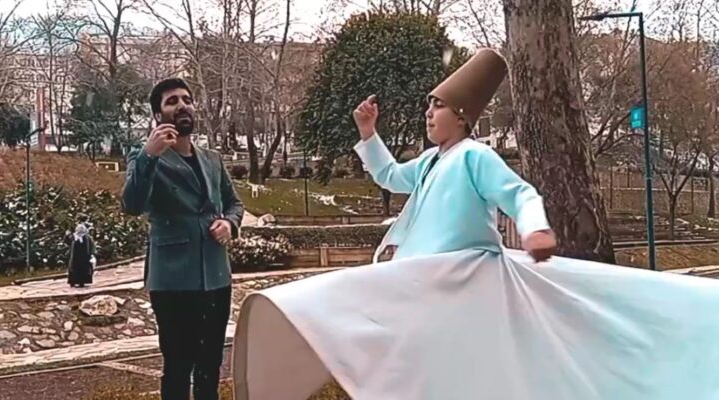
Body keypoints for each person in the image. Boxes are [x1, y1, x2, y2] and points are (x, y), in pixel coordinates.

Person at [231, 49, 719, 400]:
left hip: (464, 277)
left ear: (462, 116)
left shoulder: (474, 156)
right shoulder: (430, 161)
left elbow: (519, 193)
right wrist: (368, 134)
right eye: (429, 105)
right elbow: (390, 176)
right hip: (426, 279)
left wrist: (535, 229)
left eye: (437, 106)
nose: (428, 113)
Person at [122, 77, 244, 400]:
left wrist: (229, 223)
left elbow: (234, 203)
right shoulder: (143, 157)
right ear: (157, 115)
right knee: (178, 367)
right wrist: (150, 155)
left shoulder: (212, 159)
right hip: (173, 280)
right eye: (172, 101)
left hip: (216, 276)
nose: (182, 105)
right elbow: (132, 204)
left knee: (210, 366)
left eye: (187, 99)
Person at [65, 221, 95, 288]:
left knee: (83, 270)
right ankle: (73, 282)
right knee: (74, 270)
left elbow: (91, 245)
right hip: (75, 258)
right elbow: (67, 242)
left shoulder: (87, 237)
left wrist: (91, 254)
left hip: (83, 257)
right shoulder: (74, 236)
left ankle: (82, 282)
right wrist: (66, 235)